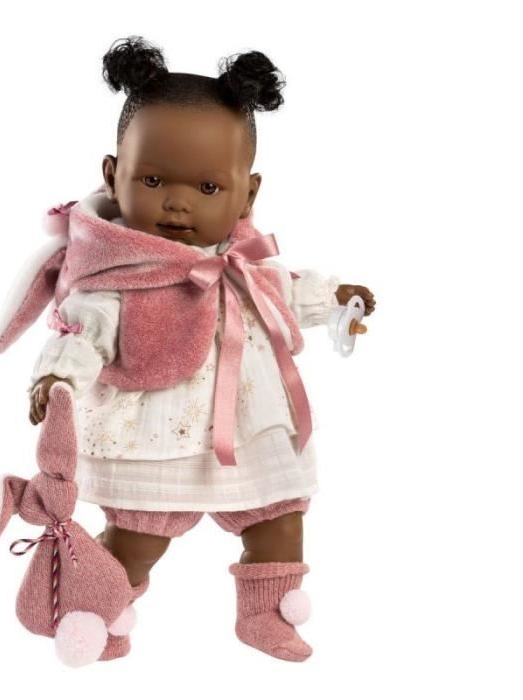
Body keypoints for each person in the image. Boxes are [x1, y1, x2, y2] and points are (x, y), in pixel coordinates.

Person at [25, 36, 376, 662]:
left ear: (249, 194)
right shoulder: (117, 273)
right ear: (112, 174)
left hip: (247, 429)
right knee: (138, 538)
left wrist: (334, 299)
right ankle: (99, 613)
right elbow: (83, 329)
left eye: (209, 187)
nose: (178, 202)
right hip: (155, 433)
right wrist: (57, 380)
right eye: (153, 179)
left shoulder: (243, 265)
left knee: (280, 518)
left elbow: (281, 291)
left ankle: (265, 613)